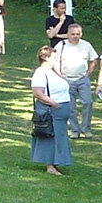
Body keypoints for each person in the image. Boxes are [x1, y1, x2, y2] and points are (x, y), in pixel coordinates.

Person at [30, 45, 72, 176]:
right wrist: (54, 103)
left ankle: (56, 162)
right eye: (53, 57)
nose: (56, 60)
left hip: (60, 110)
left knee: (58, 137)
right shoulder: (40, 73)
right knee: (50, 137)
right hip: (52, 110)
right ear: (45, 58)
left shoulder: (52, 72)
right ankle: (50, 165)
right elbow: (38, 92)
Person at [55, 24, 98, 138]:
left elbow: (94, 60)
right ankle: (75, 130)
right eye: (73, 34)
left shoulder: (86, 45)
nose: (75, 36)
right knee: (70, 106)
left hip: (82, 79)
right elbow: (55, 61)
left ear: (81, 34)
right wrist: (60, 76)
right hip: (67, 79)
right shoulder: (61, 45)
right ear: (68, 34)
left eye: (77, 34)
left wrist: (88, 74)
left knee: (88, 102)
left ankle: (86, 128)